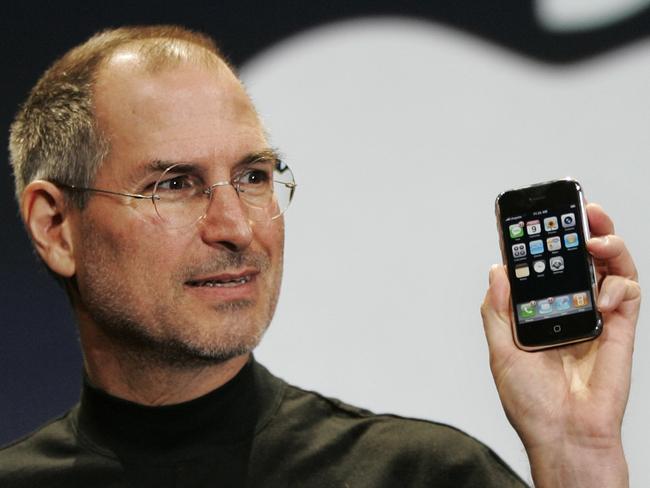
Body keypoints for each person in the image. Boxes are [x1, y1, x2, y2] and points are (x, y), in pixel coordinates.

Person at [1, 25, 640, 487]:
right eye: (174, 184)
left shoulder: (422, 477)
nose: (237, 229)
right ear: (56, 227)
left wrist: (575, 452)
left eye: (253, 177)